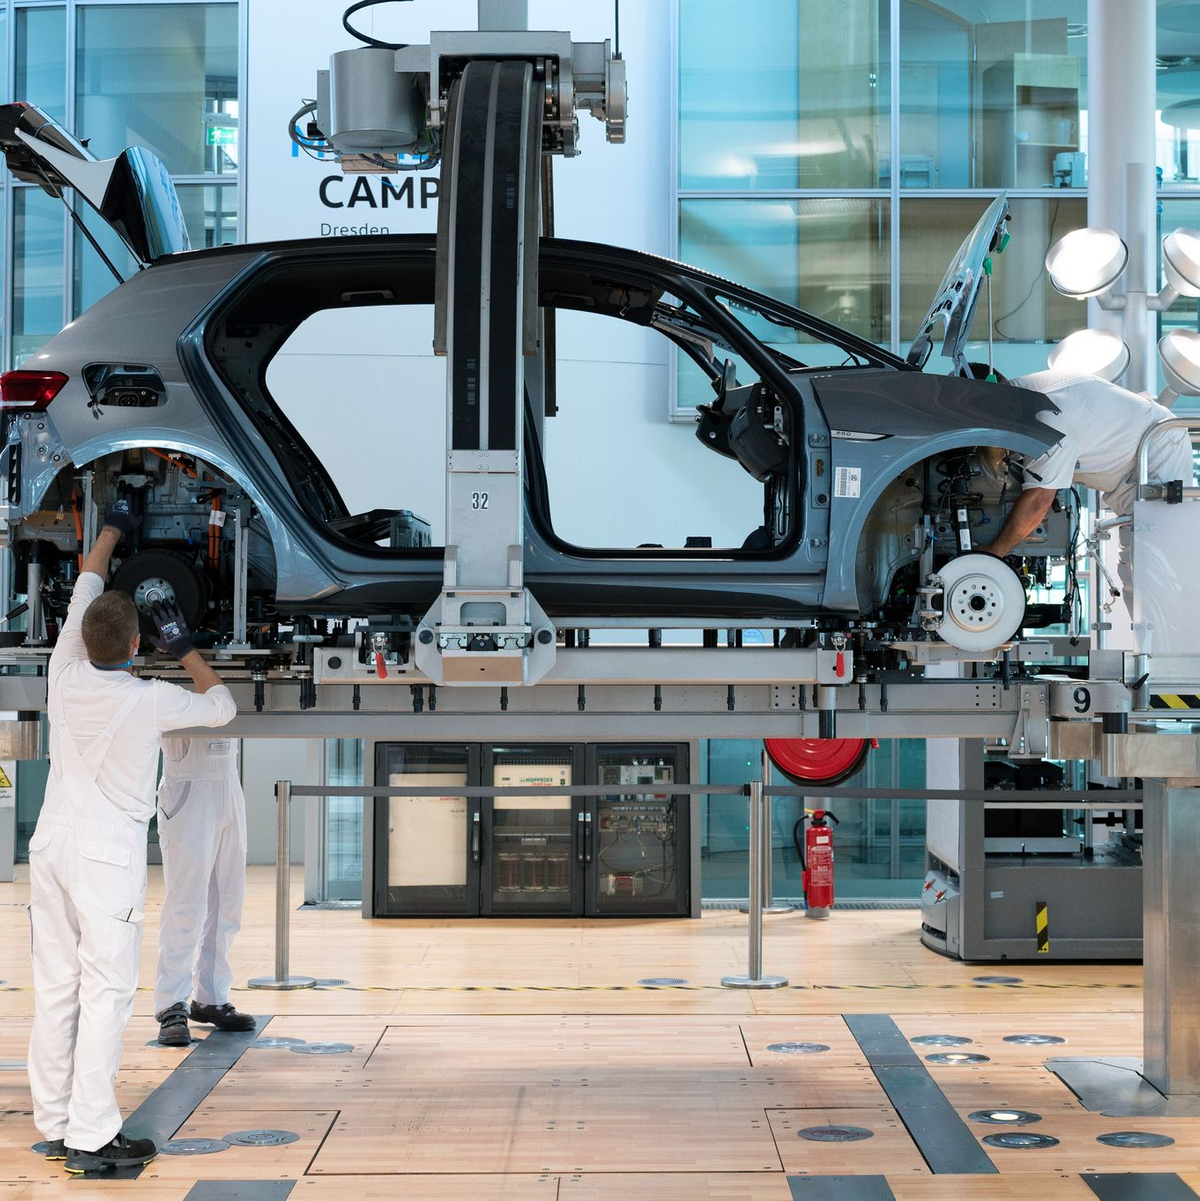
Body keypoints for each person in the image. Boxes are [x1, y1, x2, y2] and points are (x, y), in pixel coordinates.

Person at [27, 502, 236, 1175]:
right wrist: (184, 646)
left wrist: (111, 526)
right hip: (104, 859)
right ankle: (92, 1136)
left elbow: (89, 577)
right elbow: (222, 705)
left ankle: (56, 1123)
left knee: (56, 984)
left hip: (52, 846)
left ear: (84, 637)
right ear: (139, 646)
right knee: (106, 991)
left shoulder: (64, 666)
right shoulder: (149, 698)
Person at [981, 367, 1193, 598]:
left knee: (1149, 569)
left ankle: (1174, 633)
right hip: (1134, 458)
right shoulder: (1022, 389)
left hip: (1155, 455)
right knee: (1137, 571)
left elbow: (1039, 501)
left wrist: (992, 554)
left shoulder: (1048, 420)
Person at [154, 736, 255, 1046]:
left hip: (228, 781)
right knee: (186, 904)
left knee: (228, 900)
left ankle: (211, 997)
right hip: (187, 783)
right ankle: (171, 1004)